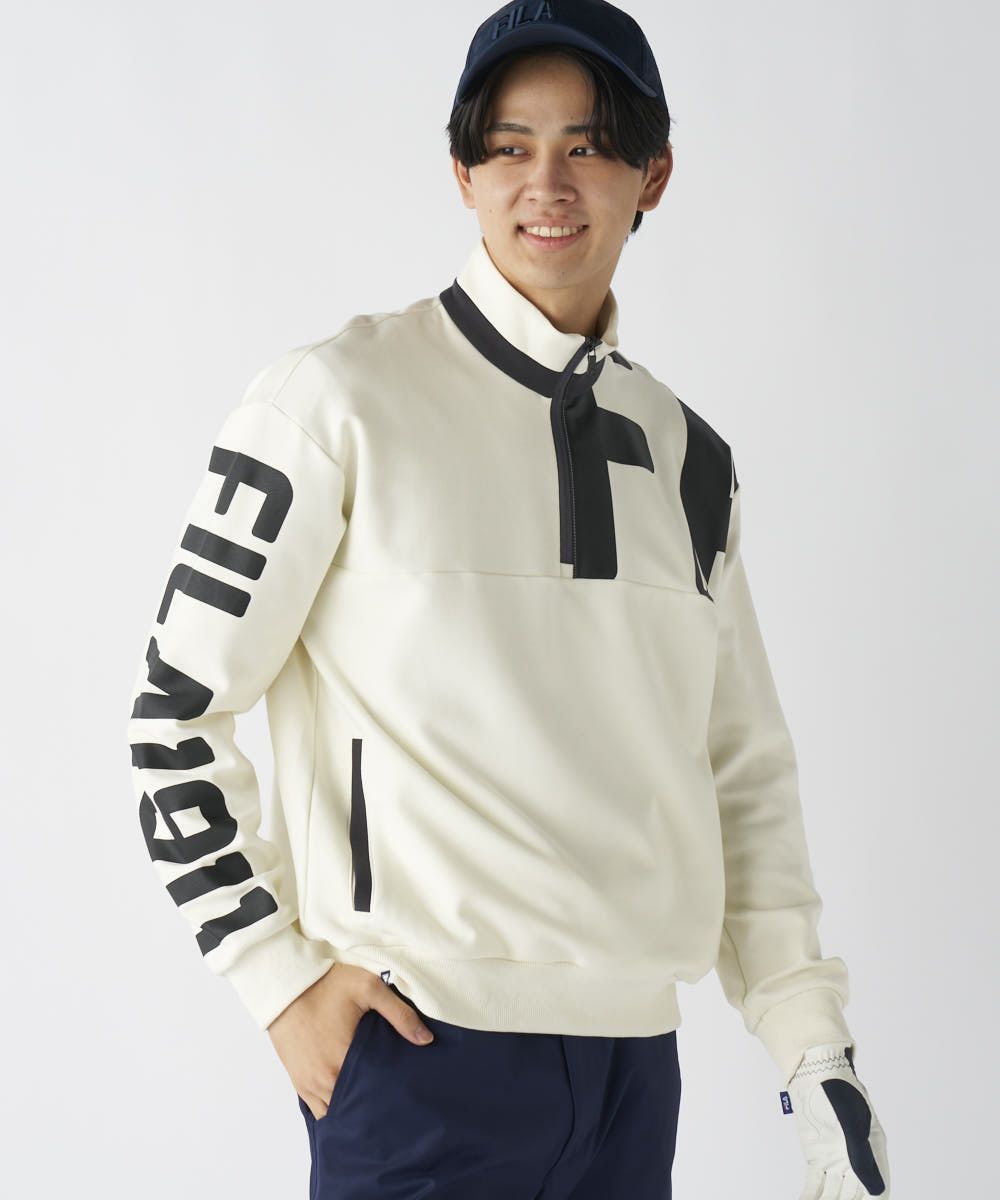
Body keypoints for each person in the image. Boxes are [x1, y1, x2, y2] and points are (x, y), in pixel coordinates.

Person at [125, 2, 890, 1196]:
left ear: (652, 174)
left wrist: (813, 1049)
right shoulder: (335, 402)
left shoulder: (690, 459)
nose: (548, 183)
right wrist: (278, 981)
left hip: (634, 1071)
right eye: (509, 146)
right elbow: (173, 714)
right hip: (418, 1053)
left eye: (587, 146)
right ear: (463, 173)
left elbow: (741, 774)